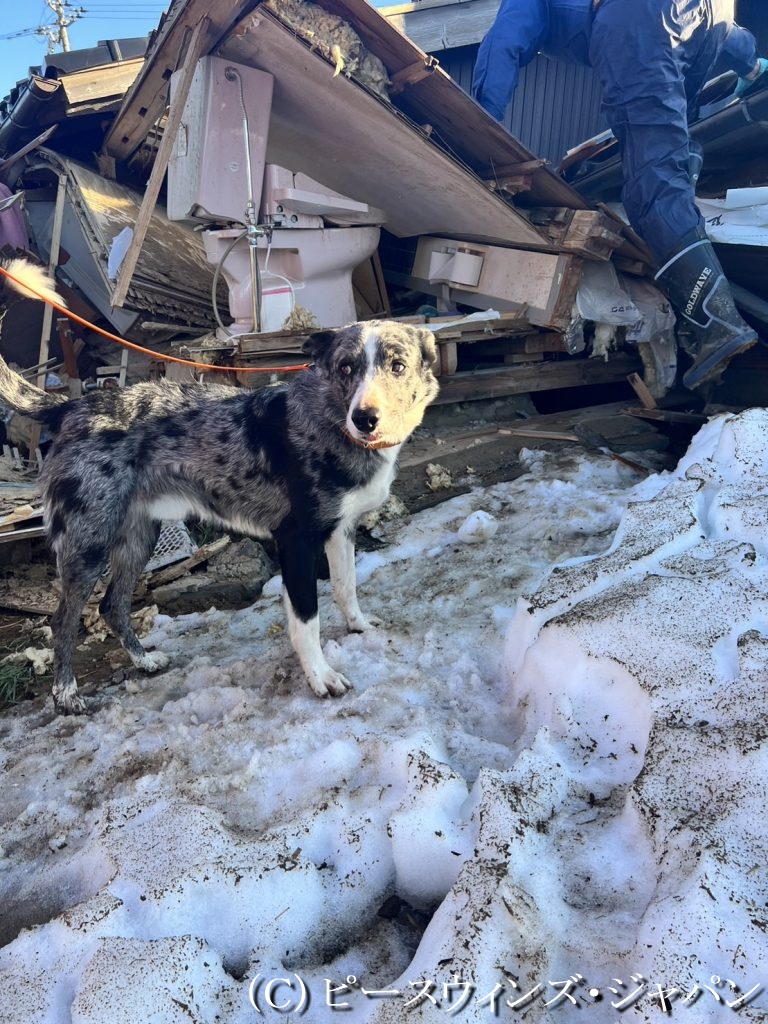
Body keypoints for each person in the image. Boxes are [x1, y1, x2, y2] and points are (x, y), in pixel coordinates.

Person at [472, 0, 767, 390]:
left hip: (637, 20)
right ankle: (701, 297)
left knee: (652, 187)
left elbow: (503, 44)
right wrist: (753, 66)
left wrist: (479, 127)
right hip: (707, 18)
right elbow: (721, 29)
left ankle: (717, 326)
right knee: (676, 147)